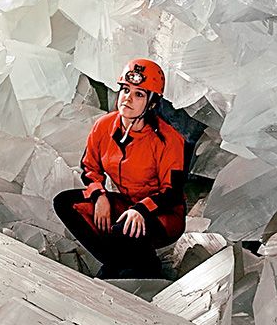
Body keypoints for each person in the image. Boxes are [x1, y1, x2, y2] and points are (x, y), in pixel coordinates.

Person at [54, 57, 187, 279]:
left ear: (152, 103)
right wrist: (99, 196)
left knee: (123, 230)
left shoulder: (169, 140)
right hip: (127, 203)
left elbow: (171, 192)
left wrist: (141, 210)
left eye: (139, 94)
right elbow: (89, 168)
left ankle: (134, 267)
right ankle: (122, 260)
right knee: (66, 203)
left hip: (163, 214)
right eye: (126, 90)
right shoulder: (104, 126)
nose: (128, 98)